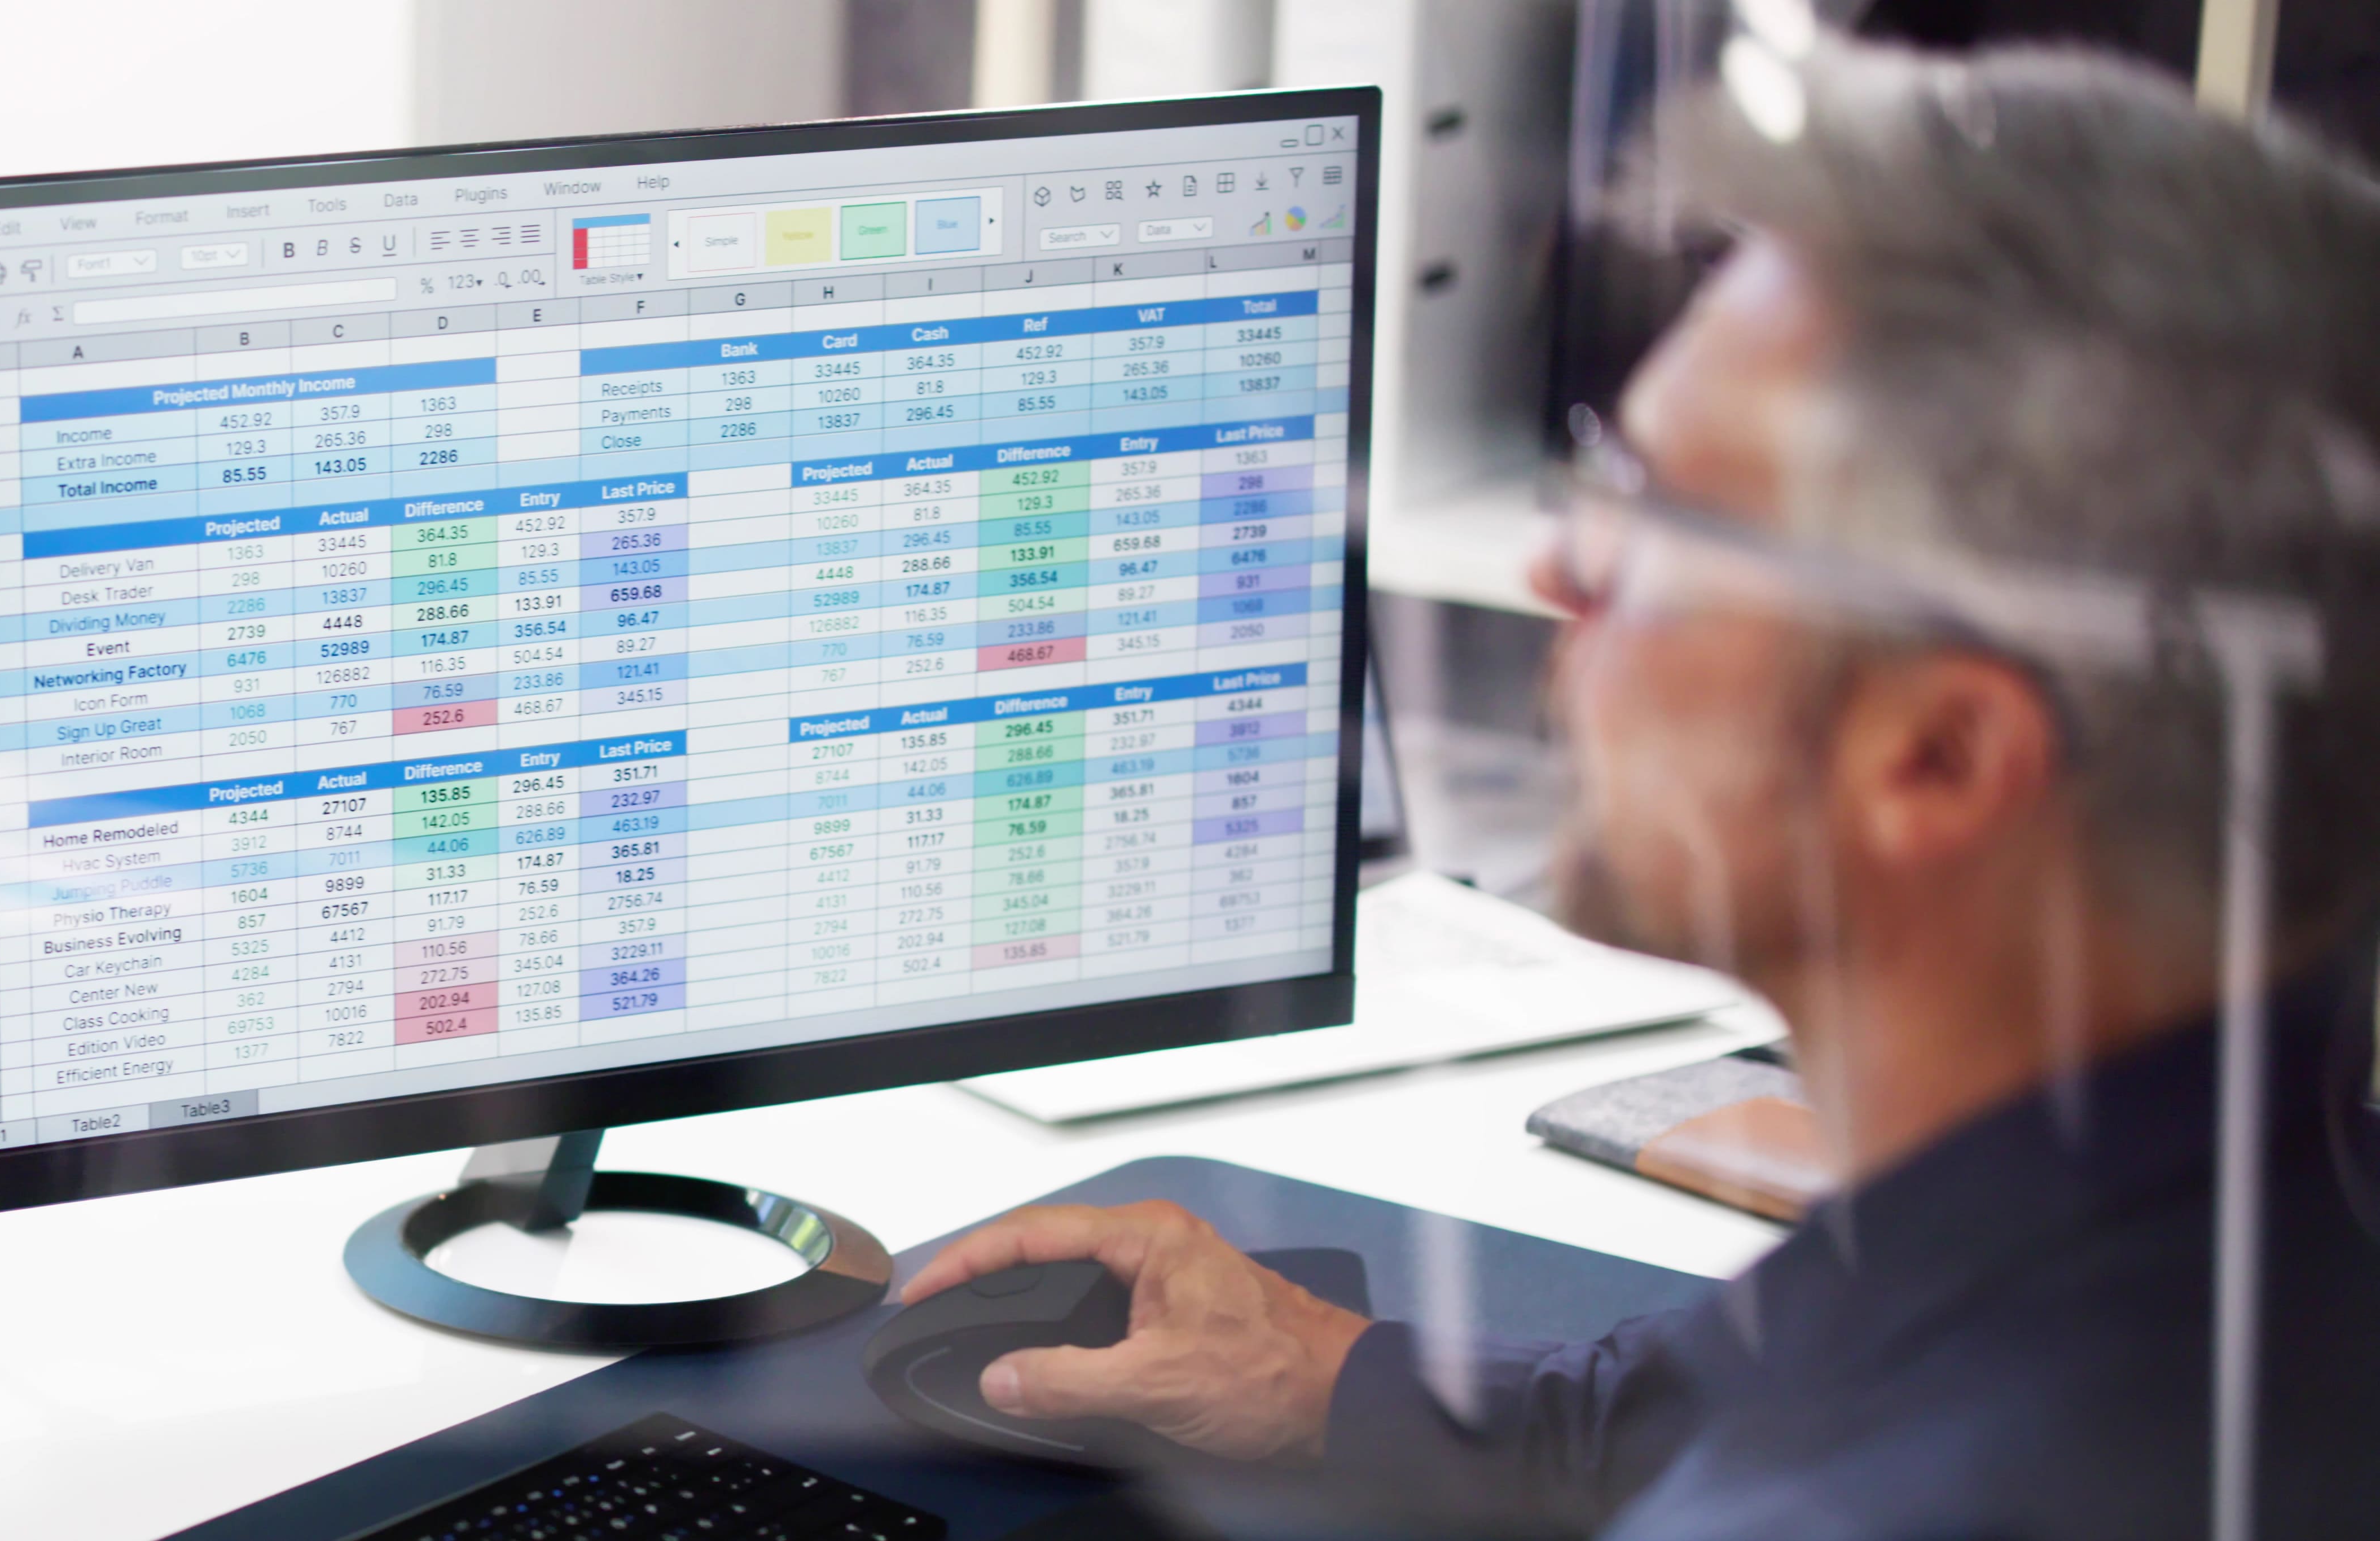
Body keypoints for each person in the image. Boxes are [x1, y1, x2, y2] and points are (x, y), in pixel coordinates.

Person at [885, 42, 2380, 1540]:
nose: (1562, 567)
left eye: (1656, 510)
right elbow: (1731, 1404)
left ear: (1939, 758)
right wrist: (1324, 1373)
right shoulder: (2235, 1218)